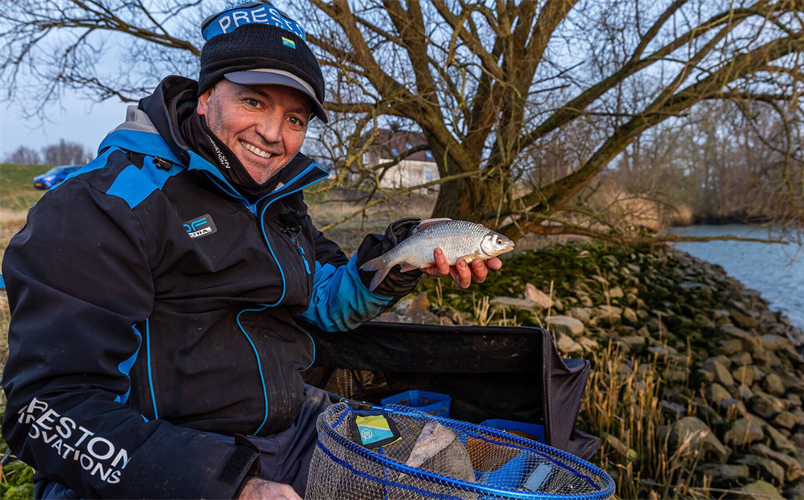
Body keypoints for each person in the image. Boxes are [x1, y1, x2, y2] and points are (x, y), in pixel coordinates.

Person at [0, 2, 501, 499]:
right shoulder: (103, 205)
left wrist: (402, 253)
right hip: (171, 462)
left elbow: (326, 302)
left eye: (296, 119)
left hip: (297, 427)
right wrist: (231, 487)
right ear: (205, 96)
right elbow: (47, 408)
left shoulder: (278, 200)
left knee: (438, 455)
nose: (273, 135)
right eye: (254, 102)